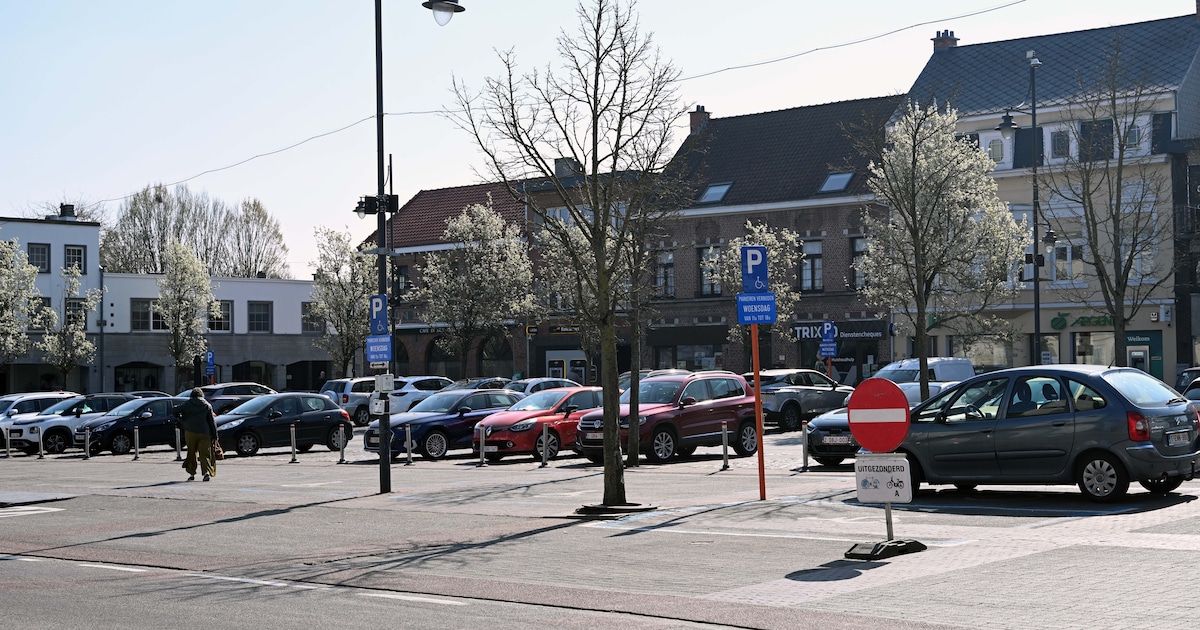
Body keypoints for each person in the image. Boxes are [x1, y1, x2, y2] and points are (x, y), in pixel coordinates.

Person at [176, 387, 218, 482]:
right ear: (201, 395)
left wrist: (181, 419)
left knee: (192, 452)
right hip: (205, 433)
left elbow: (175, 410)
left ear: (192, 395)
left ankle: (192, 473)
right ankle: (206, 473)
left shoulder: (188, 404)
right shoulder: (207, 405)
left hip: (190, 432)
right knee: (205, 454)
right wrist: (215, 436)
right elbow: (212, 422)